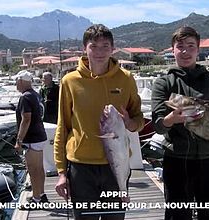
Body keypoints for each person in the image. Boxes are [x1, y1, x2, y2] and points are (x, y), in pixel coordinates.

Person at [53, 24, 144, 220]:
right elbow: (63, 127)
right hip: (81, 167)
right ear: (85, 48)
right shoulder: (69, 81)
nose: (99, 52)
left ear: (113, 49)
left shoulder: (126, 79)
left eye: (105, 46)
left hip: (117, 167)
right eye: (94, 46)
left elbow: (139, 120)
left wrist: (129, 123)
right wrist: (61, 172)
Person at [151, 26, 209, 220]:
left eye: (191, 46)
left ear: (198, 50)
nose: (185, 51)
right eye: (180, 46)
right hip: (177, 161)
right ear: (172, 50)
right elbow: (157, 125)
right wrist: (172, 119)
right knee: (177, 215)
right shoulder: (163, 83)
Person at [13, 70, 48, 207]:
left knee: (33, 170)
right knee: (39, 168)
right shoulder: (35, 95)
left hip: (32, 138)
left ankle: (36, 199)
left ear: (21, 81)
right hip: (40, 135)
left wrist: (19, 140)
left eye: (16, 81)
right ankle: (42, 194)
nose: (16, 84)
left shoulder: (25, 97)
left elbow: (26, 119)